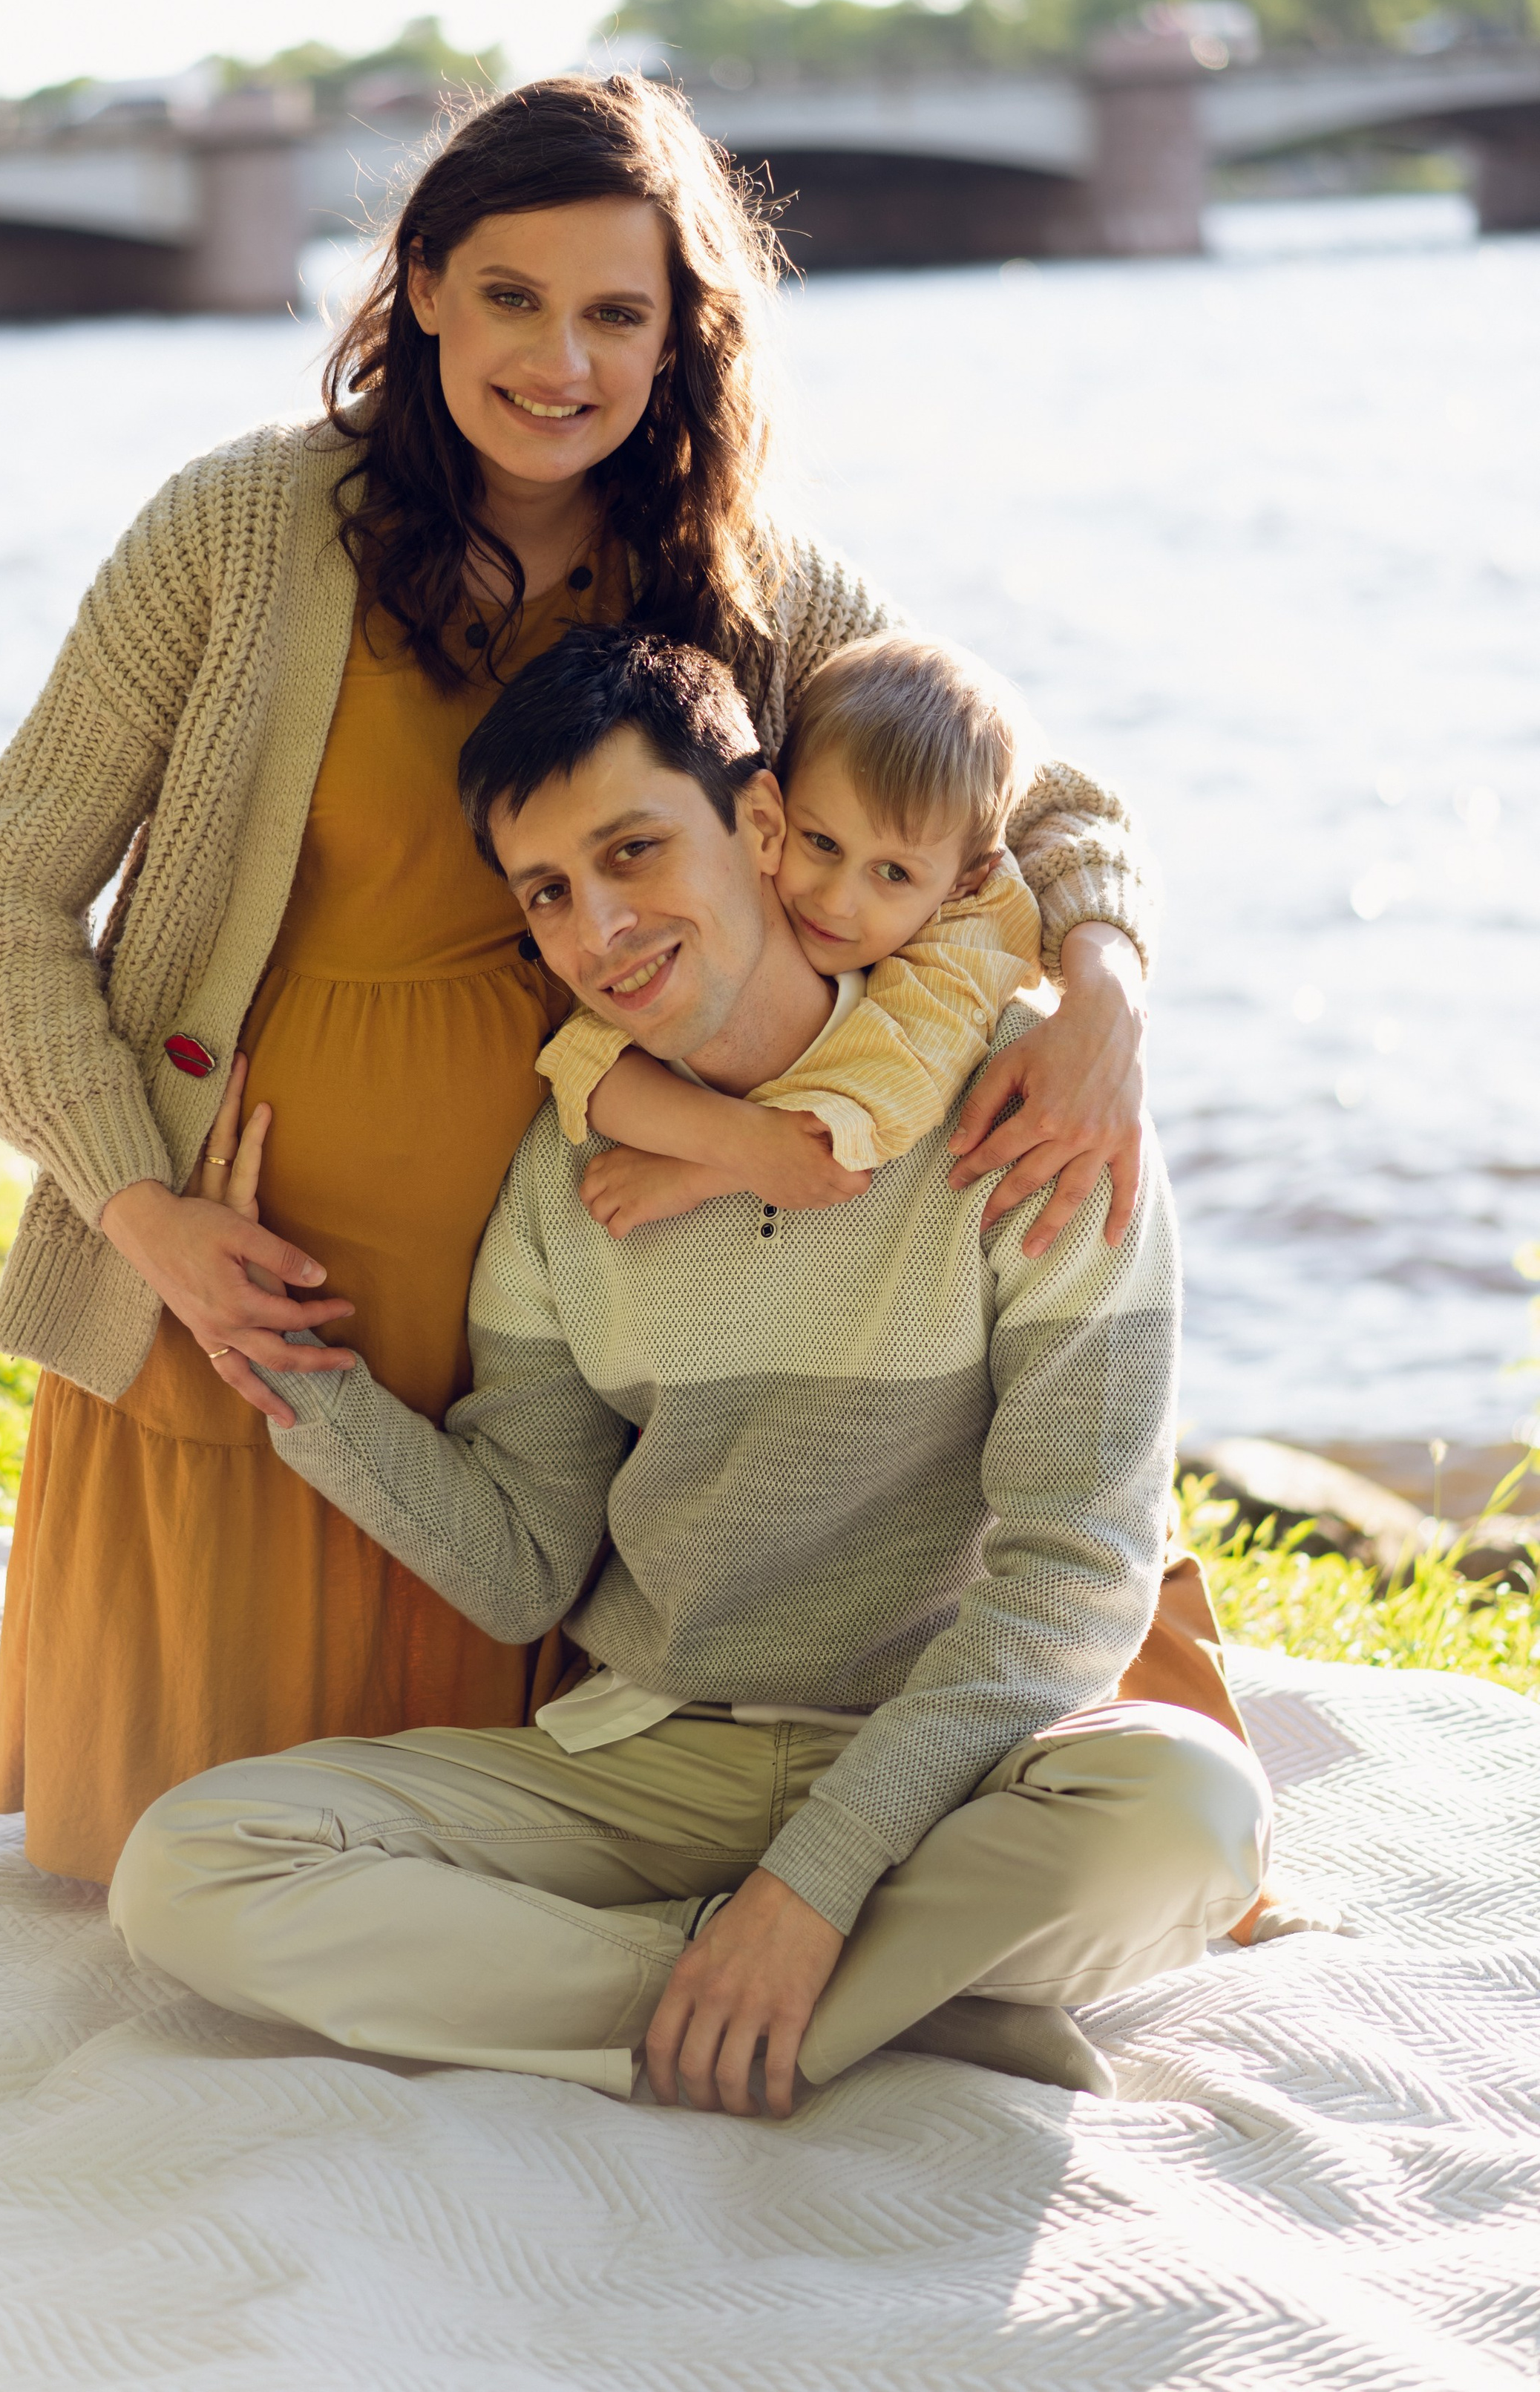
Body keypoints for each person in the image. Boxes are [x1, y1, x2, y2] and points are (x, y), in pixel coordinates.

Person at [0, 74, 1170, 1892]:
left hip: (569, 1301)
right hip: (248, 1292)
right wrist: (141, 1217)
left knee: (507, 1835)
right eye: (510, 296)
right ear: (420, 283)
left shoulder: (740, 577)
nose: (560, 360)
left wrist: (1106, 994)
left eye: (616, 311)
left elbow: (1029, 795)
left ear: (678, 336)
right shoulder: (238, 532)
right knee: (162, 1878)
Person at [107, 629, 1271, 2115]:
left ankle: (739, 1984)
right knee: (192, 1868)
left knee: (1190, 1815)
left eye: (634, 851)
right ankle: (820, 2004)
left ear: (768, 828)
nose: (598, 928)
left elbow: (1078, 1574)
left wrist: (816, 1881)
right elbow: (527, 1565)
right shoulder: (564, 1178)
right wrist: (281, 1370)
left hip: (950, 1773)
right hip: (653, 1759)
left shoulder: (1024, 1108)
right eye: (547, 894)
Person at [540, 627, 1044, 1238]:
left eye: (893, 873)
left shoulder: (967, 948)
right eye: (821, 841)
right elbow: (582, 1059)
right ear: (774, 808)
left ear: (965, 881)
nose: (836, 900)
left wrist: (701, 1172)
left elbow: (889, 1101)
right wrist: (736, 1139)